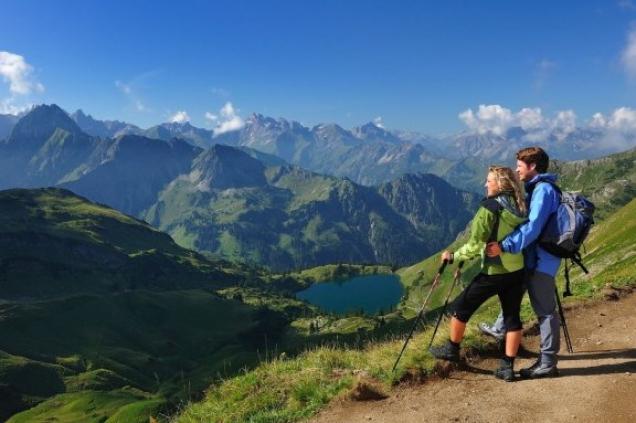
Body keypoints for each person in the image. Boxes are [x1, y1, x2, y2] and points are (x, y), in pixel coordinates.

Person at [429, 166, 527, 381]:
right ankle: (507, 366)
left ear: (500, 184)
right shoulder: (520, 204)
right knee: (512, 317)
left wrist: (454, 256)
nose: (485, 184)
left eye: (489, 181)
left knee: (461, 308)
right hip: (517, 269)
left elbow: (475, 244)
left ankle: (452, 350)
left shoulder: (489, 208)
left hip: (494, 270)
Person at [485, 146, 562, 378]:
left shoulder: (544, 191)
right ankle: (500, 328)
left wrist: (506, 245)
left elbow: (533, 227)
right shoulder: (537, 188)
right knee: (515, 290)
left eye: (520, 166)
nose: (517, 170)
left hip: (542, 261)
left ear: (533, 166)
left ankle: (548, 363)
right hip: (534, 258)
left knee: (546, 312)